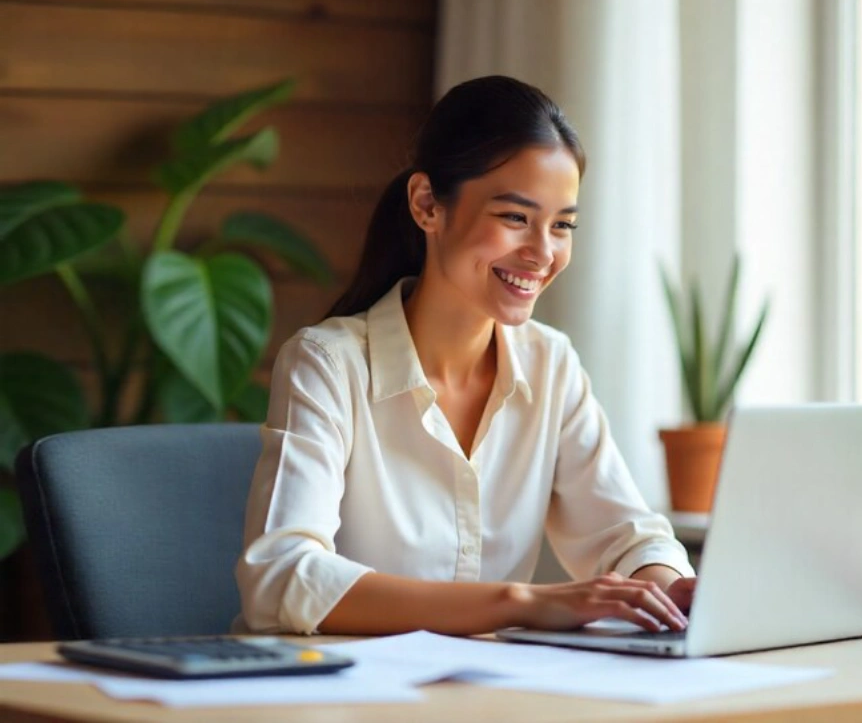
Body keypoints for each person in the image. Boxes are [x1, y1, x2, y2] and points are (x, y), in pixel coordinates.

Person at [235, 75, 696, 637]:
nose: (542, 253)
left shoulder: (550, 364)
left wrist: (672, 589)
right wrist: (520, 602)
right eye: (515, 218)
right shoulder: (326, 365)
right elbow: (282, 579)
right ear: (427, 204)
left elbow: (627, 535)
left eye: (563, 226)